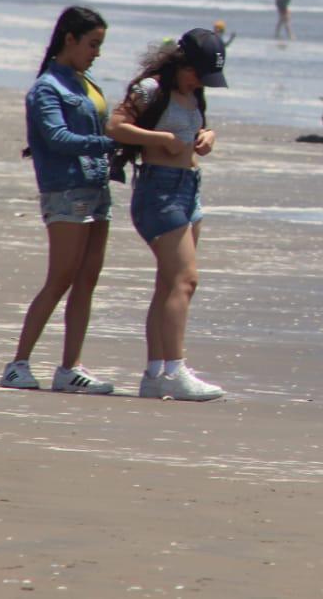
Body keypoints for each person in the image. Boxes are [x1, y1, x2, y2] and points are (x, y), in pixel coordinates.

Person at [2, 6, 120, 393]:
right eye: (92, 44)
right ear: (69, 38)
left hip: (97, 189)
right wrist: (111, 143)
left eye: (100, 45)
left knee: (87, 280)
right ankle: (18, 364)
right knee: (60, 279)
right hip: (66, 189)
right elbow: (57, 138)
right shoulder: (46, 88)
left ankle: (70, 368)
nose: (96, 53)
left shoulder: (87, 83)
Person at [109, 28, 228, 401]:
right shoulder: (150, 89)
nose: (199, 82)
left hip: (189, 189)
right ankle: (175, 370)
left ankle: (155, 373)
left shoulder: (195, 93)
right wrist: (160, 139)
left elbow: (196, 129)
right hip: (159, 191)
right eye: (197, 73)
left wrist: (208, 137)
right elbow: (115, 126)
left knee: (169, 284)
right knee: (186, 280)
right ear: (181, 62)